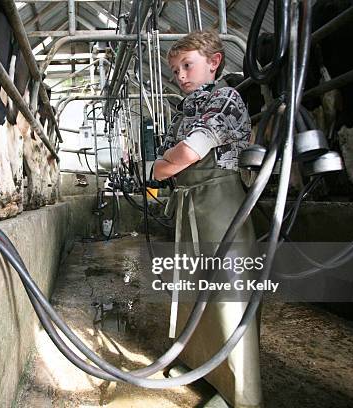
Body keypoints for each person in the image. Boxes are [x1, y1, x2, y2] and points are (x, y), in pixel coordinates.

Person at [153, 30, 262, 408]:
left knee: (228, 297)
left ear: (213, 63)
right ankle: (200, 365)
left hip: (223, 205)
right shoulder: (184, 109)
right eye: (176, 69)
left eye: (188, 65)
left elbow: (185, 152)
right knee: (193, 292)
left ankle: (239, 394)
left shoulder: (225, 98)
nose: (180, 75)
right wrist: (168, 162)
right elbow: (162, 164)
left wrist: (169, 162)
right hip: (190, 205)